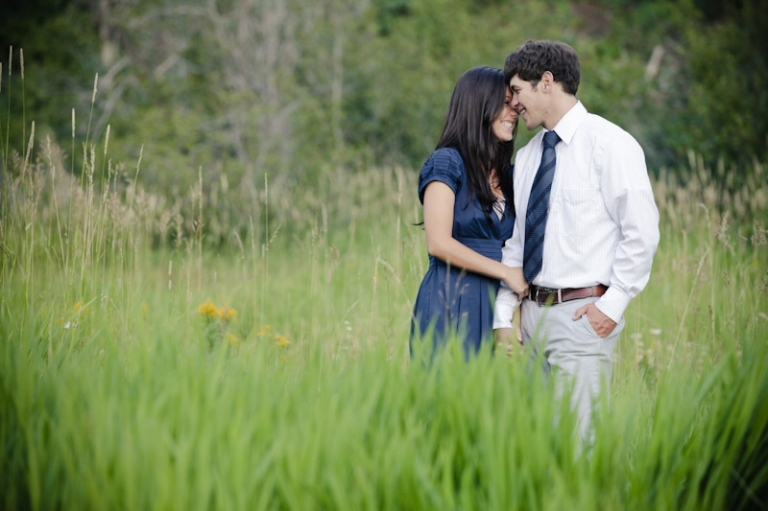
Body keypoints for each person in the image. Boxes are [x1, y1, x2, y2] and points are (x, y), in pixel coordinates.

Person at [493, 40, 660, 441]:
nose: (514, 103)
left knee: (580, 445)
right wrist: (503, 315)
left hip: (583, 317)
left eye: (517, 90)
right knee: (538, 445)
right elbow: (516, 243)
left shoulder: (611, 144)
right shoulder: (529, 156)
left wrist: (612, 305)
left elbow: (642, 232)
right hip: (530, 320)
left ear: (546, 82)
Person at [410, 66, 529, 360]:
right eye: (504, 101)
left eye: (515, 101)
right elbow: (438, 243)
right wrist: (505, 272)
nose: (515, 108)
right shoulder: (447, 163)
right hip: (449, 297)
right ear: (478, 105)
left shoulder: (511, 176)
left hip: (493, 303)